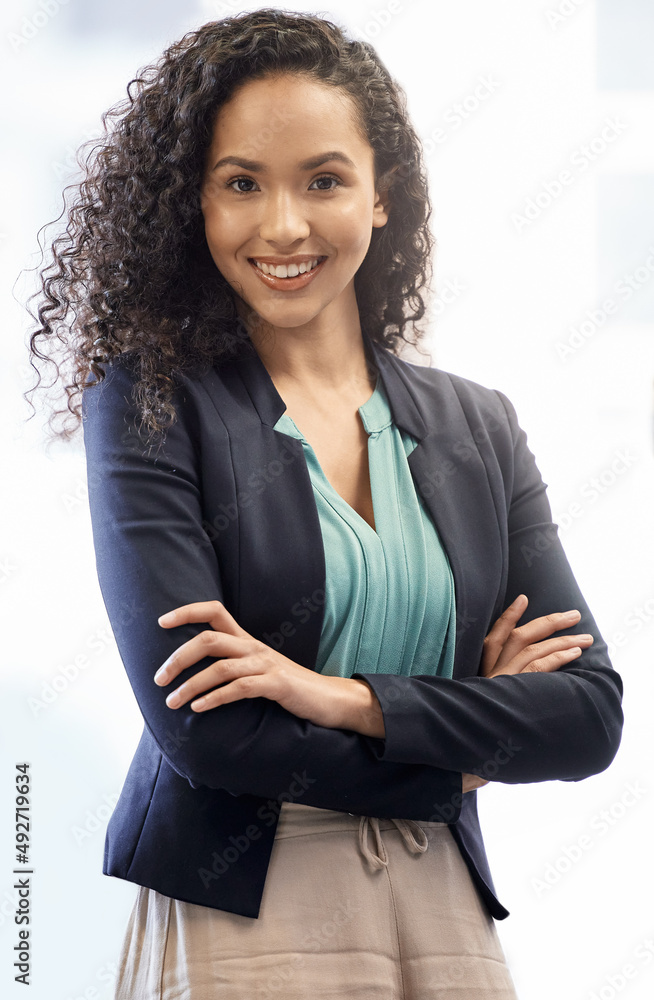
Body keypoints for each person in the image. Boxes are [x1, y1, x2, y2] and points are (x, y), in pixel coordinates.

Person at [25, 9, 624, 998]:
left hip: (445, 907)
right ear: (194, 206)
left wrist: (332, 694)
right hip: (251, 905)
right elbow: (207, 730)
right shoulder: (151, 404)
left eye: (325, 179)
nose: (285, 226)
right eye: (241, 184)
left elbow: (586, 715)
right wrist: (466, 754)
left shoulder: (479, 425)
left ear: (382, 194)